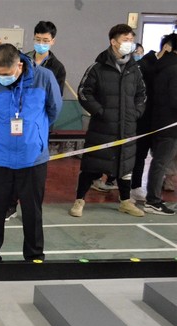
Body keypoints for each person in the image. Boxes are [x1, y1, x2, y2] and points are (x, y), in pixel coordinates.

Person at [0, 44, 62, 262]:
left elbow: (54, 109)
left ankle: (34, 256)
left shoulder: (44, 78)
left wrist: (35, 132)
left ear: (19, 66)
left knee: (32, 211)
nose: (1, 79)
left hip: (32, 157)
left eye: (6, 75)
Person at [71, 24, 146, 218]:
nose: (129, 44)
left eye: (131, 40)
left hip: (127, 127)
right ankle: (79, 200)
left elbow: (142, 94)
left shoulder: (134, 70)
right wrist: (100, 111)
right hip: (102, 128)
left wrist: (136, 112)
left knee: (125, 166)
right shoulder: (97, 68)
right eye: (125, 40)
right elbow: (84, 92)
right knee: (91, 165)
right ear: (113, 42)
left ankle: (125, 201)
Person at [6, 20, 68, 220]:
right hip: (16, 123)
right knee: (13, 166)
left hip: (38, 128)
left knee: (33, 171)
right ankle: (10, 205)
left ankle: (31, 209)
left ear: (53, 41)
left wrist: (41, 124)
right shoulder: (21, 60)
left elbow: (54, 102)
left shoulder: (57, 68)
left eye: (45, 40)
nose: (41, 43)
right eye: (38, 39)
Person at [131, 34, 175, 202]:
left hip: (159, 121)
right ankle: (133, 188)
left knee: (158, 158)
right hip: (143, 118)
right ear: (167, 47)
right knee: (138, 154)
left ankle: (142, 189)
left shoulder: (167, 67)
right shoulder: (144, 64)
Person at [144, 34, 177, 215]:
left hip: (158, 122)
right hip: (170, 125)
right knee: (161, 163)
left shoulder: (161, 65)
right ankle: (153, 201)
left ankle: (154, 198)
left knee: (159, 162)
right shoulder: (173, 68)